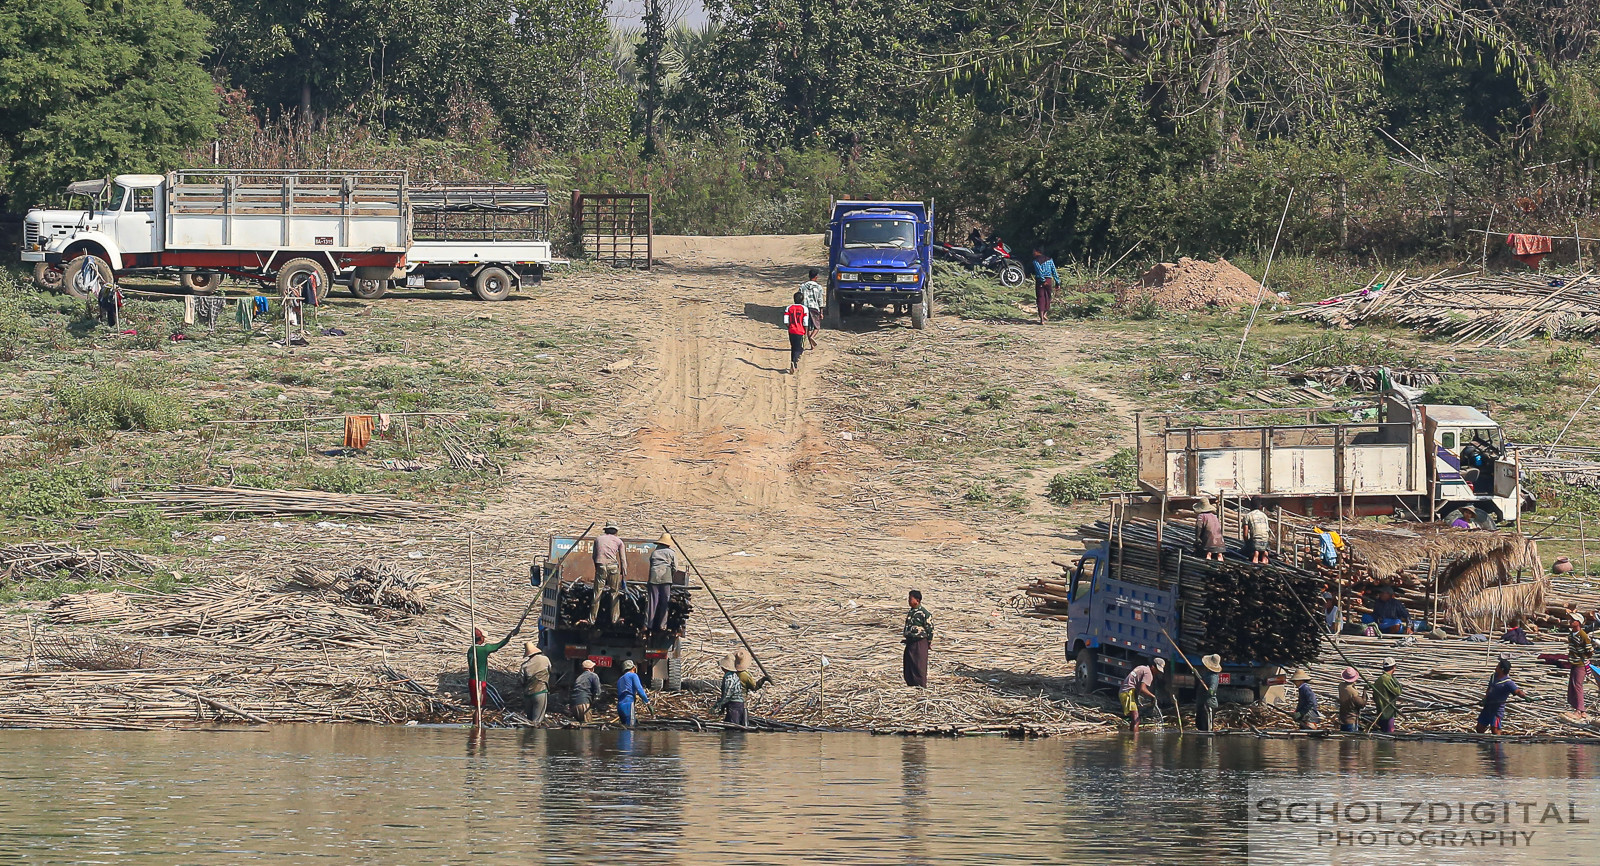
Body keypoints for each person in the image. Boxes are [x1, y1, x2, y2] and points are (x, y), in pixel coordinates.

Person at [467, 624, 521, 728]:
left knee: (477, 705)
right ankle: (476, 726)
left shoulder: (471, 649)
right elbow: (499, 645)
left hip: (472, 680)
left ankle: (475, 725)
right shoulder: (484, 649)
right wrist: (509, 636)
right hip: (480, 681)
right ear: (480, 638)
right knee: (480, 706)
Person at [589, 522, 628, 625]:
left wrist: (597, 567)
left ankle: (592, 619)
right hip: (613, 567)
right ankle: (615, 619)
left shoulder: (598, 539)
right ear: (615, 531)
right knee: (614, 592)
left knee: (597, 592)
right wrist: (624, 573)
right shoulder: (619, 541)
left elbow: (594, 556)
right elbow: (623, 560)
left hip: (601, 565)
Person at [1476, 656, 1526, 734]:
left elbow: (1517, 691)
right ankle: (1484, 744)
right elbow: (1489, 689)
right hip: (1487, 707)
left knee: (1495, 730)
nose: (1496, 667)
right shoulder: (1493, 677)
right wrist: (1484, 699)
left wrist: (1525, 697)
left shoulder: (1508, 683)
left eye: (1498, 666)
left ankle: (1498, 744)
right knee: (1479, 728)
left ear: (1502, 669)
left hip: (1496, 711)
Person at [1120, 658, 1164, 732]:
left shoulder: (1142, 668)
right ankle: (1134, 741)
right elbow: (1142, 689)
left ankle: (1131, 738)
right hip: (1128, 693)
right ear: (1153, 667)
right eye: (1157, 670)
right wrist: (1153, 696)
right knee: (1136, 720)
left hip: (1125, 692)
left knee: (1134, 719)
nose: (1157, 672)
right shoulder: (1148, 673)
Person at [645, 532, 677, 634]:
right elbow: (675, 567)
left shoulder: (655, 552)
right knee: (665, 601)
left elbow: (651, 565)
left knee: (652, 602)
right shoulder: (671, 553)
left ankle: (647, 624)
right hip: (666, 577)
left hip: (654, 577)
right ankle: (662, 625)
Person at [903, 590, 933, 688]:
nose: (908, 601)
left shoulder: (924, 613)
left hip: (920, 642)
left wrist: (928, 642)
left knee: (919, 664)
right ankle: (910, 684)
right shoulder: (911, 612)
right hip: (910, 642)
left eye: (910, 599)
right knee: (909, 664)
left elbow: (930, 628)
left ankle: (920, 686)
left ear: (917, 600)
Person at [712, 652, 751, 727]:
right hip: (738, 704)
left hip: (734, 705)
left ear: (724, 667)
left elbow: (727, 695)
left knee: (733, 727)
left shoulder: (729, 678)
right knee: (735, 726)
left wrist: (718, 705)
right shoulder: (734, 676)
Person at [519, 641, 551, 725]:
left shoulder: (524, 665)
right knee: (537, 721)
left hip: (528, 695)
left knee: (529, 720)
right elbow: (550, 670)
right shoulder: (545, 659)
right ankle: (536, 737)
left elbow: (521, 681)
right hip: (540, 692)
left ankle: (529, 737)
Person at [1569, 612, 1595, 715]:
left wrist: (1584, 657)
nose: (1570, 622)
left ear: (1578, 622)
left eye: (1573, 620)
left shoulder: (1583, 635)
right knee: (1573, 684)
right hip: (1574, 662)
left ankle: (1581, 709)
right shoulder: (1571, 635)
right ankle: (1576, 707)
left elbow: (1590, 650)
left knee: (1578, 685)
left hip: (1580, 664)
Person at [615, 659, 651, 729]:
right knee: (630, 729)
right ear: (634, 668)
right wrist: (647, 703)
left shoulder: (620, 679)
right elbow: (639, 689)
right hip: (628, 703)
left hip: (619, 705)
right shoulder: (633, 675)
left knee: (624, 728)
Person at [782, 291, 811, 374]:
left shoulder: (789, 308)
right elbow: (805, 321)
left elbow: (786, 321)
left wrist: (790, 327)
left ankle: (793, 363)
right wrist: (805, 331)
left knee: (793, 346)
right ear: (802, 300)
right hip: (800, 331)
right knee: (800, 348)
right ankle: (795, 361)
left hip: (791, 330)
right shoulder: (804, 309)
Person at [1371, 657, 1401, 733]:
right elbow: (1398, 692)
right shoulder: (1387, 679)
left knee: (1383, 733)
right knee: (1389, 734)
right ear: (1394, 667)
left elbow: (1374, 696)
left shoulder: (1379, 680)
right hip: (1387, 713)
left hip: (1380, 711)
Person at [1195, 654, 1222, 732]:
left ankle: (1207, 743)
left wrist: (1211, 690)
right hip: (1202, 702)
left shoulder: (1214, 677)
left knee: (1206, 726)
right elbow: (1202, 680)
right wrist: (1196, 673)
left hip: (1208, 704)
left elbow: (1212, 688)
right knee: (1199, 724)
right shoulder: (1207, 674)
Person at [1031, 248, 1058, 326]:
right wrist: (1057, 282)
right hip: (1049, 280)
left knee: (1040, 298)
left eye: (1034, 251)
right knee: (1048, 297)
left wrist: (1043, 281)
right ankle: (1045, 313)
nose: (1033, 253)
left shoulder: (1036, 261)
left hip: (1040, 281)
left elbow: (1039, 271)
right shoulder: (1050, 260)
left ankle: (1042, 319)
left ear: (1038, 252)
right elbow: (1054, 271)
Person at [570, 658, 602, 723]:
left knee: (580, 726)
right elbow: (598, 692)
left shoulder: (579, 677)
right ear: (591, 668)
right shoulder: (593, 675)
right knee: (587, 726)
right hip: (583, 703)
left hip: (574, 704)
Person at [1194, 497, 1224, 561]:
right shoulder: (1214, 516)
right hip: (1220, 543)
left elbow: (1198, 528)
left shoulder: (1201, 516)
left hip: (1209, 543)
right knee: (1219, 553)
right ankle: (1220, 555)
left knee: (1206, 552)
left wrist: (1197, 539)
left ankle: (1208, 557)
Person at [1243, 497, 1272, 564]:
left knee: (1247, 549)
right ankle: (1264, 553)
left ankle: (1255, 554)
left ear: (1250, 505)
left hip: (1255, 542)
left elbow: (1245, 534)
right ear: (1260, 506)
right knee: (1263, 547)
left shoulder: (1248, 516)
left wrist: (1247, 544)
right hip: (1265, 542)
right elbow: (1267, 530)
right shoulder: (1264, 516)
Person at [800, 268, 824, 347]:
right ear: (816, 277)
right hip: (814, 308)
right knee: (817, 327)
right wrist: (821, 312)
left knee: (809, 327)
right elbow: (820, 300)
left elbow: (800, 297)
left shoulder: (802, 286)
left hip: (805, 308)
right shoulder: (819, 287)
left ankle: (811, 345)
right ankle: (812, 337)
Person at [1337, 667, 1366, 733]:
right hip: (1351, 720)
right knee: (1351, 740)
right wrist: (1365, 692)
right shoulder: (1353, 692)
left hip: (1342, 719)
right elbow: (1362, 704)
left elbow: (1347, 686)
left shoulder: (1341, 686)